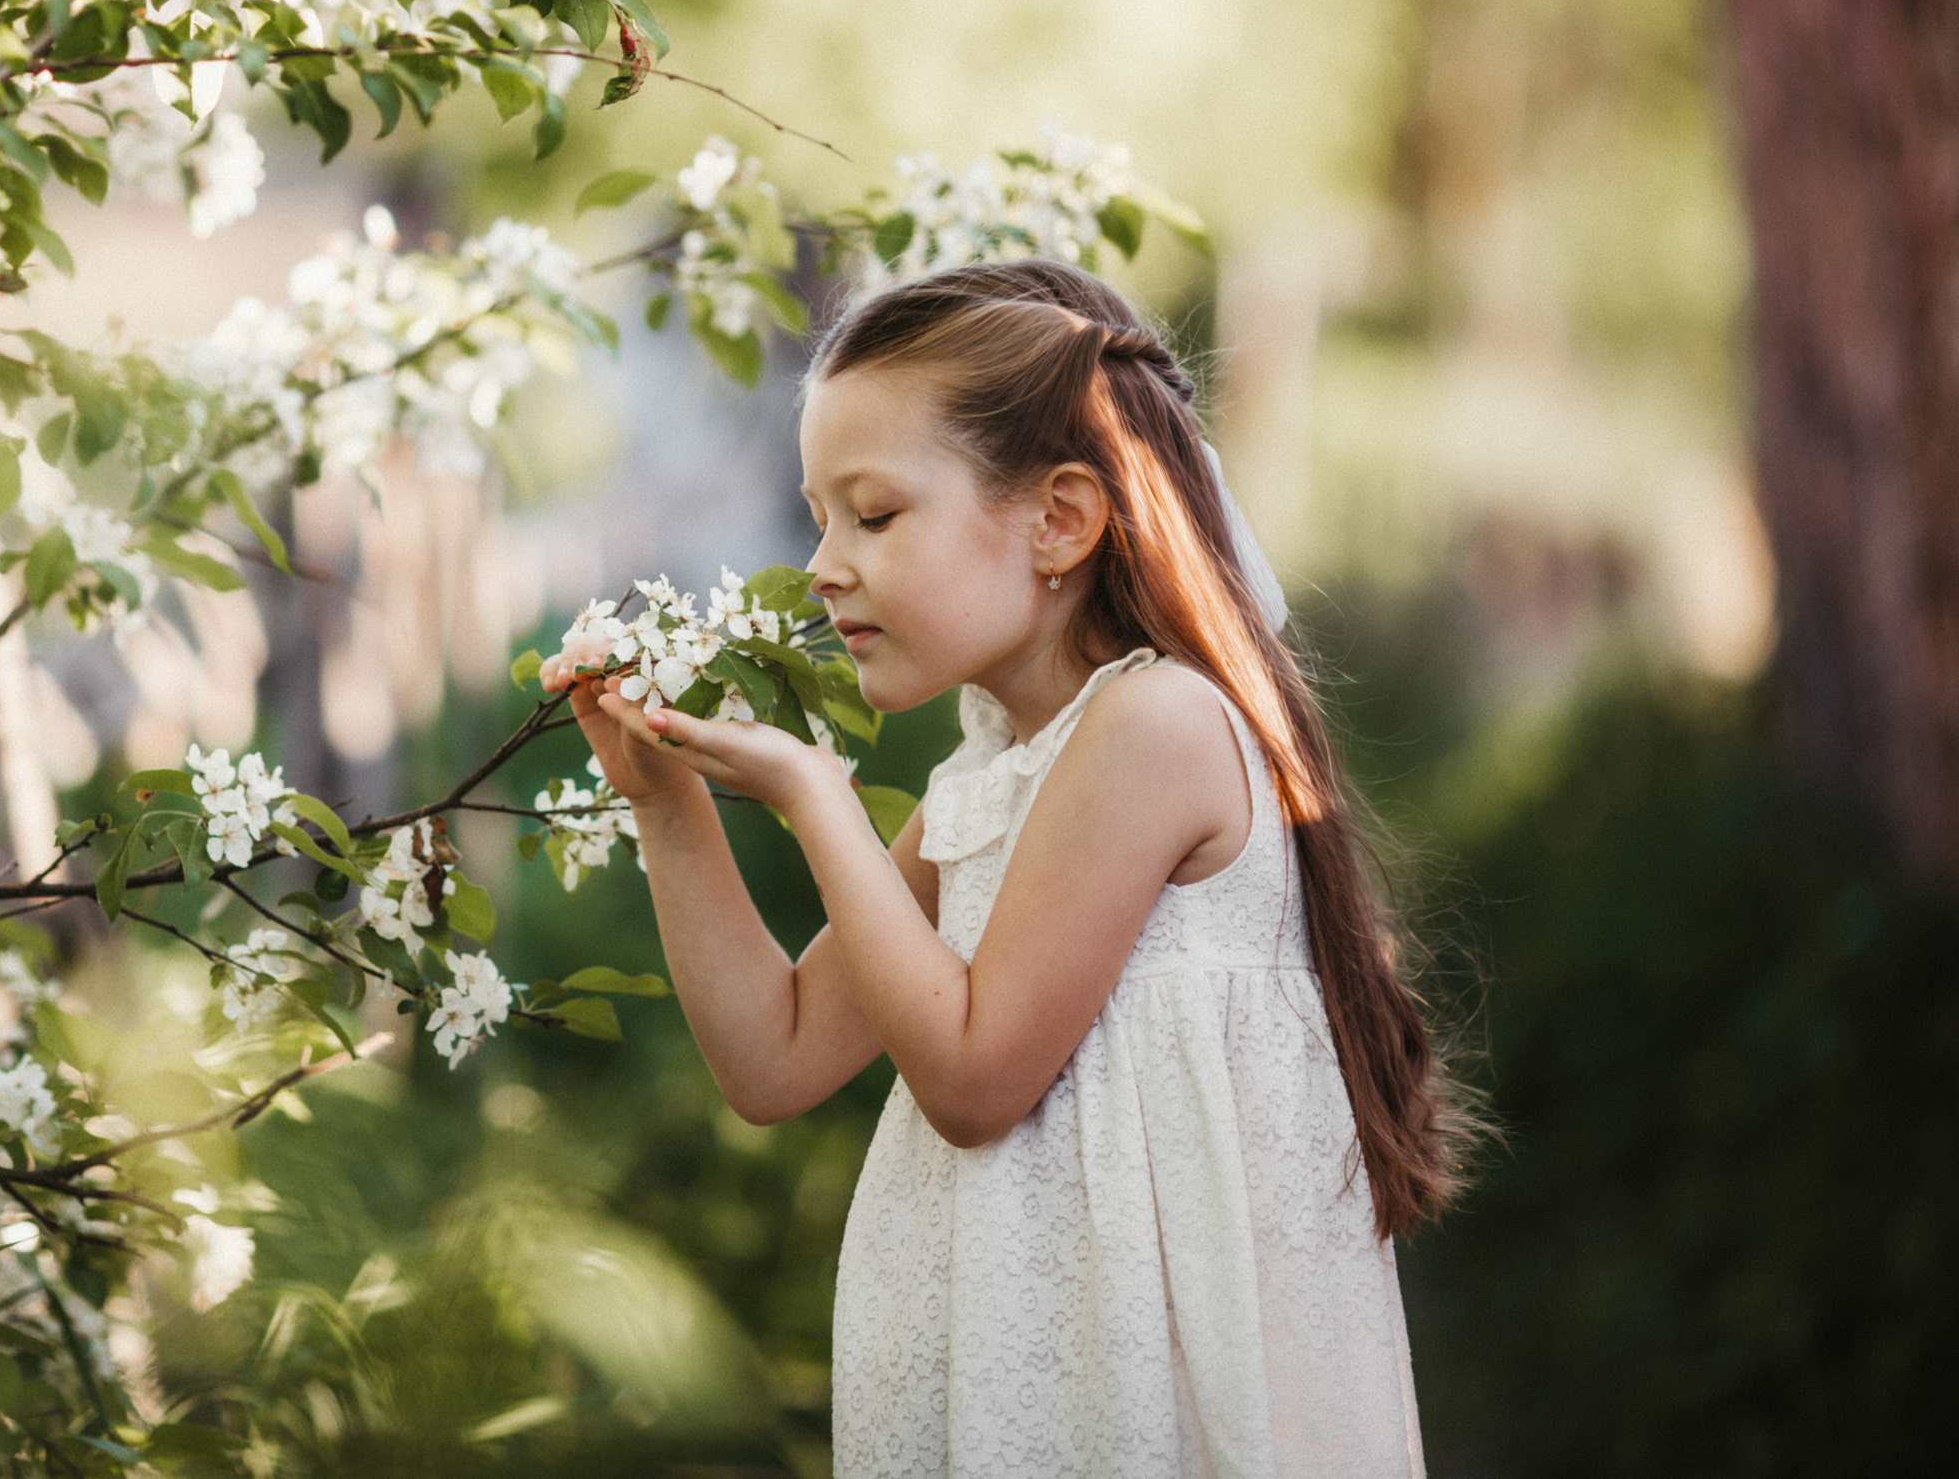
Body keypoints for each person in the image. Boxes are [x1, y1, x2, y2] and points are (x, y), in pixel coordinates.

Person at [541, 259, 1475, 1477]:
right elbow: (772, 1057)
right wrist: (666, 805)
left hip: (1138, 1404)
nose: (823, 564)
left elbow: (976, 1078)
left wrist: (818, 798)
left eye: (872, 515)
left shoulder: (1156, 729)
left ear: (1059, 521)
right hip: (1023, 1374)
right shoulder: (998, 773)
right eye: (819, 515)